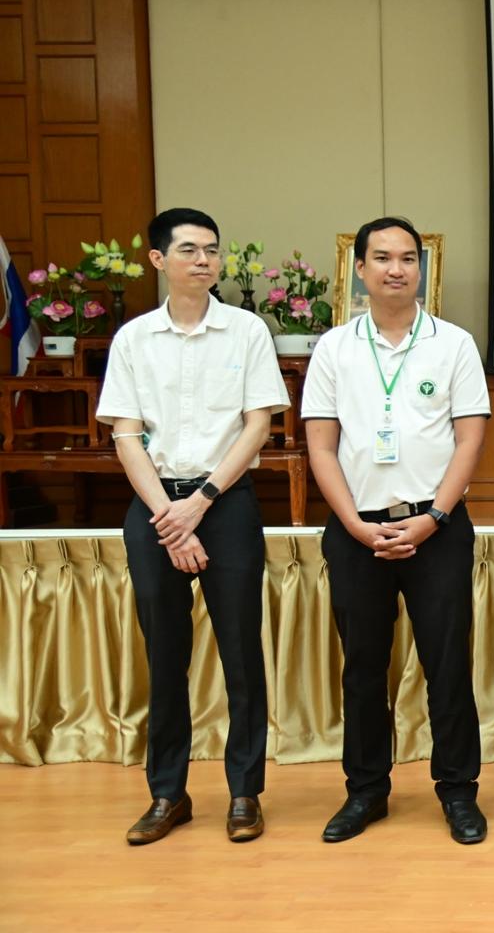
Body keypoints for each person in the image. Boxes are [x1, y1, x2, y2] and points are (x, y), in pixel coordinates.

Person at [101, 207, 290, 846]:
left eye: (211, 249)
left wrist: (201, 503)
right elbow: (126, 435)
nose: (204, 260)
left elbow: (258, 424)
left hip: (225, 503)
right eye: (188, 250)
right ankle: (167, 794)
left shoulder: (247, 331)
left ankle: (244, 793)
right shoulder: (133, 339)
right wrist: (169, 517)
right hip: (156, 504)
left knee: (241, 651)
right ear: (159, 260)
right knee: (164, 655)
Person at [303, 216, 489, 845]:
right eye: (382, 258)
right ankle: (366, 791)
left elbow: (470, 440)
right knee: (363, 667)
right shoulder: (334, 348)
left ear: (420, 269)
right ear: (360, 269)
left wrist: (434, 517)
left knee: (447, 664)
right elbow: (321, 446)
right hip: (358, 530)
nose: (396, 269)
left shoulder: (453, 344)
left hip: (436, 527)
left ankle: (458, 791)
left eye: (408, 258)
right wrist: (354, 524)